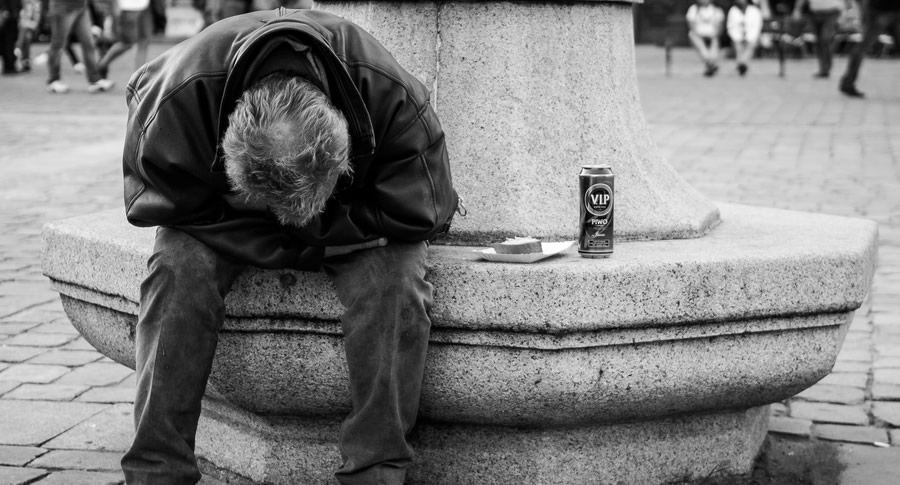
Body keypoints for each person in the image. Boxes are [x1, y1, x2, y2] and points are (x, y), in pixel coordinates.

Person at [120, 8, 460, 485]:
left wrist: (302, 227)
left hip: (306, 214)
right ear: (226, 155)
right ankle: (156, 472)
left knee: (398, 277)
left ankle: (375, 472)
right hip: (306, 220)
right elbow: (158, 206)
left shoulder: (393, 96)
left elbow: (426, 214)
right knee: (177, 267)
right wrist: (328, 235)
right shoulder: (172, 99)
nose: (287, 226)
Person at [45, 0, 114, 92]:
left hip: (81, 6)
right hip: (62, 7)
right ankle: (53, 81)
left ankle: (94, 80)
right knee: (58, 44)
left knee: (88, 43)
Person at [839, 0, 900, 97]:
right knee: (862, 47)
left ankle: (847, 83)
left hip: (885, 10)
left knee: (862, 47)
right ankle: (847, 83)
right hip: (881, 10)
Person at [793, 0, 854, 77]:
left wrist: (850, 10)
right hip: (814, 13)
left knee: (825, 38)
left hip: (832, 11)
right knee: (818, 41)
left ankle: (826, 67)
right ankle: (823, 68)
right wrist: (797, 9)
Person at [96, 0, 151, 77]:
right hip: (128, 7)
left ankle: (140, 76)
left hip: (145, 6)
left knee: (144, 41)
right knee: (127, 43)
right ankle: (100, 65)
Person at [686, 0, 726, 76]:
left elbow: (720, 26)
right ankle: (711, 63)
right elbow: (691, 24)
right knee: (694, 37)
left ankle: (710, 64)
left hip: (712, 35)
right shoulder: (693, 9)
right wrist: (697, 33)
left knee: (715, 41)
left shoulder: (716, 9)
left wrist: (715, 34)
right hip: (698, 35)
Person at [727, 0, 765, 75]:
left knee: (750, 45)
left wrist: (748, 38)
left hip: (751, 38)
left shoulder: (755, 11)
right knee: (738, 46)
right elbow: (730, 27)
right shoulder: (733, 10)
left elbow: (756, 28)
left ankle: (741, 63)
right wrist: (738, 38)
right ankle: (742, 64)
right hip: (737, 38)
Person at [0, 0, 20, 74]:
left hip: (11, 15)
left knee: (9, 42)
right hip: (9, 16)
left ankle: (9, 66)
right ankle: (9, 66)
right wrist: (5, 9)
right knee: (8, 42)